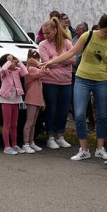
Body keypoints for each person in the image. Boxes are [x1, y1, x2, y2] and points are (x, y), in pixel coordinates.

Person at [45, 14, 107, 161]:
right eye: (105, 32)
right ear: (99, 28)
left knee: (102, 115)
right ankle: (84, 149)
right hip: (82, 79)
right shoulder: (88, 36)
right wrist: (50, 62)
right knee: (79, 115)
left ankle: (100, 148)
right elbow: (71, 52)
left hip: (101, 81)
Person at [37, 17, 74, 149]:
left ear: (55, 30)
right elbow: (46, 62)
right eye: (44, 33)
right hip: (50, 81)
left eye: (48, 33)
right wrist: (62, 60)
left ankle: (60, 135)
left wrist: (54, 60)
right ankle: (50, 136)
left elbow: (73, 59)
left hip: (66, 81)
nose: (46, 36)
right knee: (51, 109)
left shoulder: (67, 43)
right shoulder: (42, 45)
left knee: (63, 110)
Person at [0, 54, 28, 155]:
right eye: (11, 62)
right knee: (7, 124)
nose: (13, 63)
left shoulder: (16, 71)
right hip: (6, 100)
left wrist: (19, 61)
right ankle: (7, 147)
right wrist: (9, 61)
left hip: (16, 99)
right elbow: (3, 69)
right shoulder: (4, 73)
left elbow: (25, 72)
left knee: (14, 124)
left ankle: (14, 145)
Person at [22, 49, 48, 154]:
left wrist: (42, 101)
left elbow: (40, 87)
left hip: (37, 99)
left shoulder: (34, 70)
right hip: (31, 99)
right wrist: (38, 64)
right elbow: (46, 71)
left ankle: (31, 141)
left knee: (33, 123)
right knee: (29, 122)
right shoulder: (30, 70)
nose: (38, 61)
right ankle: (25, 143)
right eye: (37, 59)